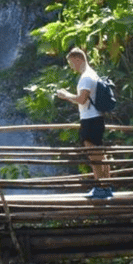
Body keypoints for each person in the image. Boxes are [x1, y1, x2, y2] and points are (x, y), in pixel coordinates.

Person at [55, 47, 112, 199]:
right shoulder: (92, 74)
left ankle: (101, 188)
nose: (71, 67)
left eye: (71, 63)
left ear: (77, 59)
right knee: (99, 155)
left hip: (90, 120)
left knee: (94, 155)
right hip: (95, 118)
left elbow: (82, 99)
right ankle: (106, 187)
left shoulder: (86, 77)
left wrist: (65, 95)